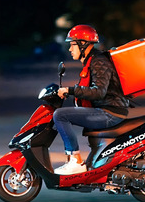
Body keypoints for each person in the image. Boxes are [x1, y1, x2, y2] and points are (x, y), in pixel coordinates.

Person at [53, 24, 131, 175]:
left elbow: (98, 92)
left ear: (83, 44)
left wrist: (70, 90)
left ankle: (75, 160)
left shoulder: (98, 62)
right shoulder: (92, 61)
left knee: (60, 115)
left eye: (72, 45)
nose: (70, 49)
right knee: (65, 114)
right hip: (106, 109)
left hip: (109, 112)